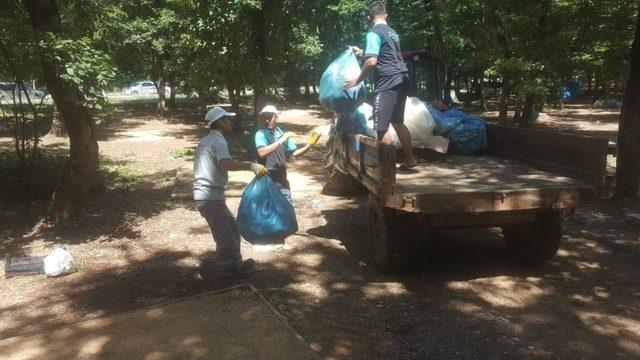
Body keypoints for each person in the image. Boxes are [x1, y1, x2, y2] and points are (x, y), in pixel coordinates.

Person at [193, 106, 267, 288]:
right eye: (227, 119)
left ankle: (236, 265)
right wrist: (250, 166)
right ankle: (224, 276)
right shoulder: (218, 142)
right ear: (220, 122)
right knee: (225, 236)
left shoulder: (206, 140)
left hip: (210, 196)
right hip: (209, 197)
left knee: (233, 228)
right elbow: (225, 164)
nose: (231, 122)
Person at [344, 1, 418, 169]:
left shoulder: (373, 33)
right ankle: (411, 159)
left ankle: (387, 170)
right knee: (398, 122)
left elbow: (371, 62)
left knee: (381, 127)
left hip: (388, 81)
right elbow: (385, 56)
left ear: (369, 18)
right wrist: (361, 52)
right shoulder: (392, 33)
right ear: (386, 15)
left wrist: (357, 80)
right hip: (402, 78)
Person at [254, 105, 320, 203]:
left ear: (276, 117)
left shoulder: (281, 134)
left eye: (269, 117)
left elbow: (295, 153)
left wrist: (309, 145)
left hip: (281, 178)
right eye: (264, 117)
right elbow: (262, 152)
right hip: (267, 178)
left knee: (287, 207)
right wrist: (281, 140)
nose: (266, 120)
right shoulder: (261, 134)